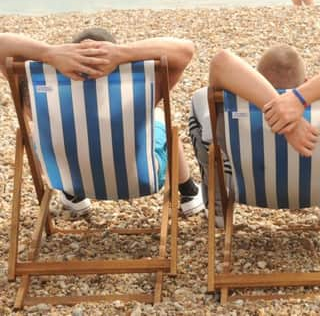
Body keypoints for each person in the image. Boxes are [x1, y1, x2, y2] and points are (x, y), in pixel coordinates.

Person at [2, 28, 204, 217]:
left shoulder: (35, 96)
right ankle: (189, 192)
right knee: (160, 117)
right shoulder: (137, 89)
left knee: (40, 129)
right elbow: (185, 49)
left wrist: (49, 53)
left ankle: (74, 196)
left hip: (69, 179)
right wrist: (122, 53)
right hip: (140, 180)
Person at [189, 45, 320, 227]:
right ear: (306, 82)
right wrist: (295, 109)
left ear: (254, 80)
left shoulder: (235, 104)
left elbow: (221, 61)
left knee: (205, 119)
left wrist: (283, 104)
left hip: (249, 190)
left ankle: (220, 209)